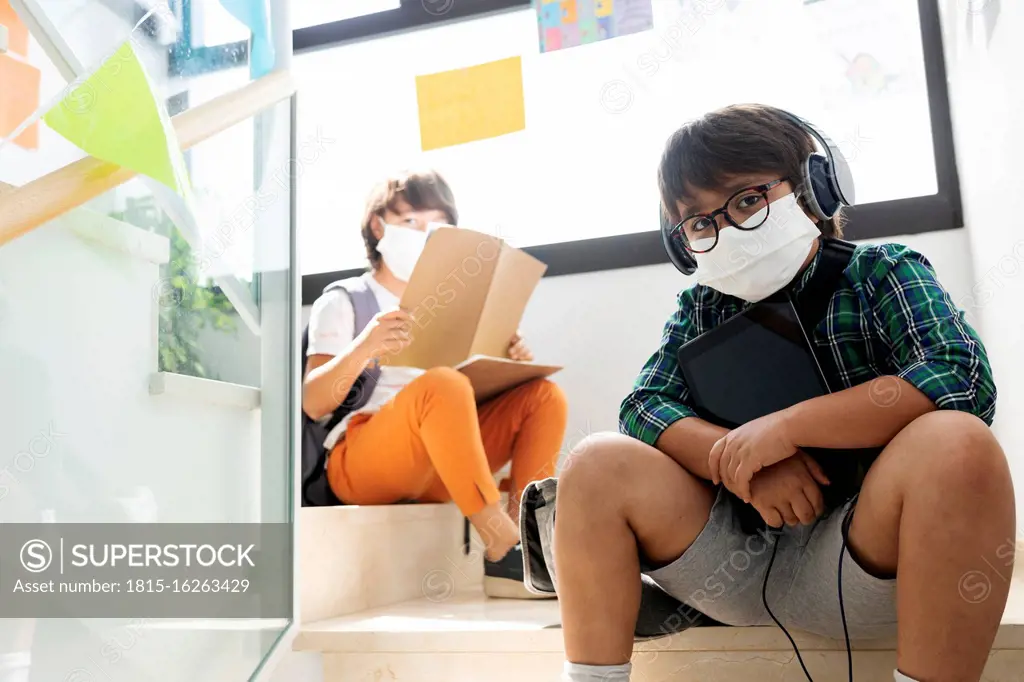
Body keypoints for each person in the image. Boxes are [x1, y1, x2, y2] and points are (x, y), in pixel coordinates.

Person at [551, 105, 1014, 682]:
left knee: (956, 439)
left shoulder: (883, 273)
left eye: (746, 200)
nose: (723, 229)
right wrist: (743, 462)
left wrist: (787, 428)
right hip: (732, 566)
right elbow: (644, 406)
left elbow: (959, 375)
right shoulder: (699, 310)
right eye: (699, 223)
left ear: (817, 188)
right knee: (595, 461)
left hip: (862, 563)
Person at [303, 169, 567, 599]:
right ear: (378, 225)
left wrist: (506, 363)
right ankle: (502, 544)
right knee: (442, 385)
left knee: (543, 396)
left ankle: (534, 548)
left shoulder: (454, 302)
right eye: (410, 222)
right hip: (362, 455)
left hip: (442, 456)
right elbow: (313, 403)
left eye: (436, 225)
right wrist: (364, 346)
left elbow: (467, 393)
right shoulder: (346, 298)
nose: (423, 233)